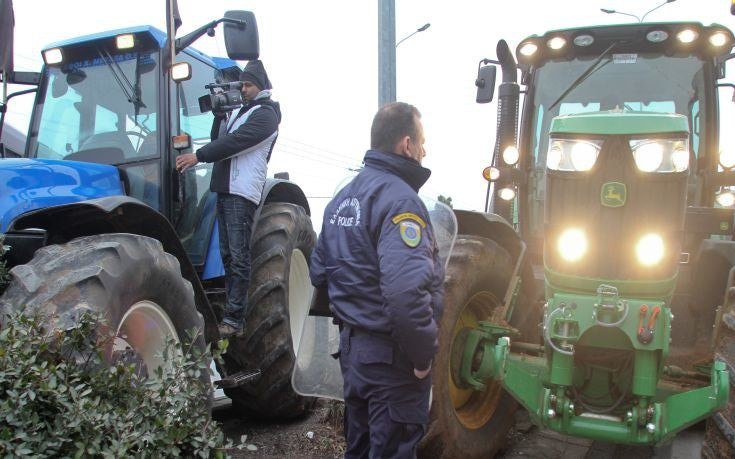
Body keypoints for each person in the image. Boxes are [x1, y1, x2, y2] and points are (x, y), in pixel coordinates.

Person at [310, 102, 444, 458]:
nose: (424, 150)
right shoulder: (401, 201)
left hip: (354, 355)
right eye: (422, 142)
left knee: (361, 447)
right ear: (406, 145)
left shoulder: (340, 200)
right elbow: (404, 293)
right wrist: (421, 356)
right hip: (393, 362)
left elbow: (318, 273)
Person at [176, 60, 281, 337]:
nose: (243, 89)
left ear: (260, 86)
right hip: (224, 189)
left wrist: (197, 156)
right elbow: (218, 138)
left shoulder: (266, 115)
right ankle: (228, 314)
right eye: (242, 85)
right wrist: (219, 114)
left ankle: (235, 320)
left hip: (241, 191)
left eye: (247, 85)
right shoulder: (239, 112)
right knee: (227, 256)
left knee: (238, 255)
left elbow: (235, 143)